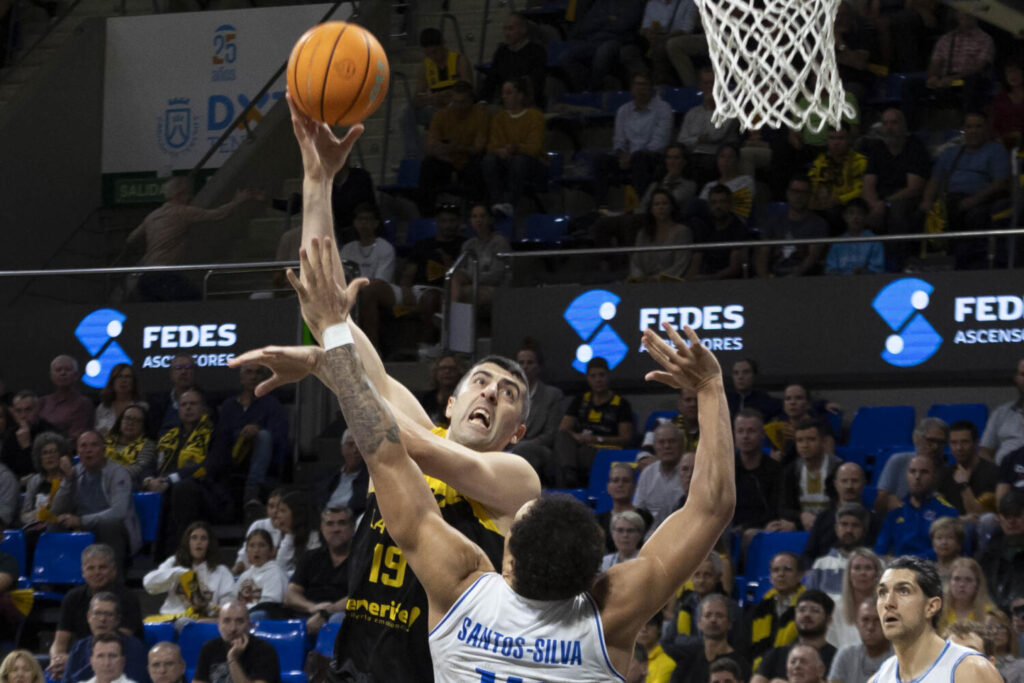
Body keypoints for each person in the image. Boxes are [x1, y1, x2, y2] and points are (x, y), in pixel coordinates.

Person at [278, 236, 734, 680]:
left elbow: (385, 452)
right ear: (595, 576)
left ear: (506, 562)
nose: (491, 392)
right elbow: (711, 508)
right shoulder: (606, 619)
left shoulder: (462, 591)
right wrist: (710, 387)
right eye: (482, 382)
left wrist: (330, 348)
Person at [237, 94, 542, 682]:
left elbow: (385, 427)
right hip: (356, 665)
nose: (489, 394)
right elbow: (327, 303)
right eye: (481, 381)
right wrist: (318, 182)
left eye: (507, 394)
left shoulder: (516, 480)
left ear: (517, 431)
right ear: (450, 400)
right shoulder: (416, 424)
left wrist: (326, 361)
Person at [126, 179, 263, 301]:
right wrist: (237, 201)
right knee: (194, 300)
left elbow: (131, 238)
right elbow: (217, 214)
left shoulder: (153, 215)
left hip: (146, 276)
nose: (189, 197)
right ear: (179, 194)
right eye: (187, 194)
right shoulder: (182, 212)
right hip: (165, 274)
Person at [872, 556, 1002, 683]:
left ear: (931, 607)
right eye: (882, 592)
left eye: (904, 591)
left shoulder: (971, 670)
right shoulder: (878, 679)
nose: (888, 603)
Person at [919, 111, 1010, 268]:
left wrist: (974, 200)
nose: (973, 131)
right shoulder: (950, 153)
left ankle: (968, 264)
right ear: (963, 129)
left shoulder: (996, 150)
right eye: (969, 127)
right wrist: (927, 201)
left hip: (982, 200)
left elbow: (999, 183)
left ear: (986, 129)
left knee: (975, 216)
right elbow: (934, 180)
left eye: (978, 126)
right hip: (951, 199)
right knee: (922, 215)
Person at [147, 389, 230, 554]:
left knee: (183, 488)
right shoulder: (168, 437)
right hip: (169, 492)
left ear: (204, 409)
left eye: (193, 404)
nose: (188, 408)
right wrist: (149, 480)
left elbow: (211, 466)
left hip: (208, 495)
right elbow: (152, 464)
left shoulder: (217, 433)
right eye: (184, 404)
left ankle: (182, 552)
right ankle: (153, 553)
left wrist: (170, 480)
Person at [49, 545, 144, 680]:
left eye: (102, 567)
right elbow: (59, 642)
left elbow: (114, 643)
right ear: (83, 572)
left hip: (120, 660)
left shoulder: (128, 598)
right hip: (81, 657)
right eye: (91, 568)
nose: (97, 572)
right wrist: (57, 661)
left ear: (113, 571)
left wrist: (71, 661)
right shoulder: (72, 598)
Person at [50, 431, 141, 569]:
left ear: (103, 449)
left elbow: (119, 512)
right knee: (54, 524)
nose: (88, 450)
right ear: (78, 452)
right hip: (84, 528)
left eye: (94, 445)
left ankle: (114, 578)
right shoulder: (75, 472)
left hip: (113, 532)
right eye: (83, 446)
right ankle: (56, 575)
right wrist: (68, 480)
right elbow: (56, 509)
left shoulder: (118, 472)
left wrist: (81, 520)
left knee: (109, 525)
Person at [213, 363, 289, 511]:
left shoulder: (272, 405)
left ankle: (252, 491)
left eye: (258, 373)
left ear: (264, 378)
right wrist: (241, 434)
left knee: (264, 436)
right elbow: (221, 436)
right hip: (233, 455)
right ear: (241, 377)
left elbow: (280, 437)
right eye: (249, 372)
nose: (253, 377)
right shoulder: (229, 405)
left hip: (263, 459)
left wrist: (257, 431)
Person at [554, 356, 634, 488]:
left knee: (582, 452)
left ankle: (571, 482)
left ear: (608, 376)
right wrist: (577, 437)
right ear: (588, 378)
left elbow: (625, 438)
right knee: (562, 438)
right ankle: (569, 474)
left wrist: (596, 439)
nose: (598, 380)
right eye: (593, 376)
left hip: (603, 449)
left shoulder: (621, 404)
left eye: (601, 375)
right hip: (579, 446)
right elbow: (564, 428)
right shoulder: (580, 400)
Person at [417, 81, 490, 212]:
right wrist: (441, 149)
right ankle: (426, 213)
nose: (459, 107)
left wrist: (455, 147)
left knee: (478, 165)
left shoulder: (480, 114)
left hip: (469, 161)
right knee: (428, 165)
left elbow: (479, 147)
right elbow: (430, 146)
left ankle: (474, 210)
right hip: (448, 160)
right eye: (455, 102)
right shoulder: (441, 115)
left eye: (463, 102)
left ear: (471, 100)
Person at [403, 27, 474, 159]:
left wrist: (446, 96)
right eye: (428, 54)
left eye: (435, 52)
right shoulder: (426, 67)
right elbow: (417, 98)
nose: (433, 57)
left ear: (443, 45)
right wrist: (428, 99)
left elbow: (468, 90)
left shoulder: (459, 61)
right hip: (437, 111)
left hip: (458, 109)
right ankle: (414, 155)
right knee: (406, 112)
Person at [282, 506, 353, 636]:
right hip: (309, 613)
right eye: (330, 524)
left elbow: (360, 596)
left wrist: (327, 612)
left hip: (343, 616)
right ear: (322, 528)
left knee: (337, 620)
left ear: (352, 527)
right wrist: (311, 607)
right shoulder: (310, 557)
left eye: (342, 523)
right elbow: (290, 594)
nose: (336, 529)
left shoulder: (363, 559)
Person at [482, 78, 546, 218]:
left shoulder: (535, 116)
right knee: (488, 160)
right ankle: (497, 202)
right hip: (506, 160)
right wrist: (500, 151)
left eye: (509, 93)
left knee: (519, 161)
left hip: (532, 164)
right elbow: (492, 145)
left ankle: (510, 203)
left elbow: (534, 148)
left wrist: (515, 148)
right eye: (503, 93)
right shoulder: (499, 118)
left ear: (520, 95)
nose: (504, 96)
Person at [861, 108, 929, 238]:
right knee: (856, 210)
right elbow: (868, 184)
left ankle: (898, 250)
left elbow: (914, 188)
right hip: (880, 199)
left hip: (904, 198)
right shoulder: (878, 148)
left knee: (897, 210)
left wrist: (885, 203)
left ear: (904, 126)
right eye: (885, 123)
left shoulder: (915, 148)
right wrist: (874, 204)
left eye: (894, 123)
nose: (889, 128)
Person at [143, 522, 234, 619]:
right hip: (171, 619)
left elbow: (229, 606)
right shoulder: (174, 562)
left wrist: (207, 607)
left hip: (205, 620)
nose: (198, 542)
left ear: (209, 543)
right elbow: (149, 583)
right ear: (187, 542)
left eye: (203, 538)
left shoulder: (221, 571)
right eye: (194, 538)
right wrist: (181, 573)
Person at [875, 455, 958, 559]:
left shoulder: (947, 511)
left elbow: (948, 550)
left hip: (931, 566)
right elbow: (880, 550)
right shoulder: (895, 512)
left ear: (934, 477)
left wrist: (913, 561)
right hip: (899, 567)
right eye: (912, 471)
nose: (917, 477)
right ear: (907, 475)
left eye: (924, 472)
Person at [751, 590, 837, 683]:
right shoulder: (776, 654)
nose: (806, 614)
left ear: (828, 619)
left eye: (815, 611)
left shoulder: (837, 657)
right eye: (802, 610)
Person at [558, 0, 645, 92]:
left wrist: (603, 22)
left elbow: (624, 25)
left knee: (604, 51)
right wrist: (609, 20)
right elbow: (587, 25)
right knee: (566, 57)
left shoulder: (634, 3)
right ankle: (583, 90)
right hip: (595, 40)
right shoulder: (601, 2)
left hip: (618, 40)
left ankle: (593, 89)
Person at [509, 343, 564, 487]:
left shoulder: (552, 395)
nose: (525, 367)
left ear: (538, 367)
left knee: (522, 449)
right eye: (521, 363)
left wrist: (522, 444)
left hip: (541, 450)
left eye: (530, 363)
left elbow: (551, 435)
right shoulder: (508, 395)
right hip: (511, 445)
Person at [611, 72, 675, 197]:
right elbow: (619, 139)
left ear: (651, 88)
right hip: (629, 155)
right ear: (632, 88)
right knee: (602, 161)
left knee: (640, 158)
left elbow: (660, 141)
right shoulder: (623, 111)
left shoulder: (663, 108)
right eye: (637, 85)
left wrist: (633, 156)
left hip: (653, 156)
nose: (640, 88)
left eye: (644, 85)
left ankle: (641, 202)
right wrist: (622, 154)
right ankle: (602, 204)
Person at [664, 593, 751, 683]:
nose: (713, 620)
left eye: (719, 615)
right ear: (699, 623)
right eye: (708, 615)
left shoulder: (741, 665)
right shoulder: (686, 664)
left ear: (729, 623)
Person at [61, 593, 148, 683]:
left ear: (117, 619)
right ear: (88, 617)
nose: (102, 619)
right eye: (97, 613)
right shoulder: (78, 648)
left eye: (109, 614)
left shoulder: (135, 648)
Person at [804, 463, 879, 565]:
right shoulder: (823, 518)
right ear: (836, 484)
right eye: (844, 481)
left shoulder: (874, 520)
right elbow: (808, 555)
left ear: (864, 483)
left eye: (855, 481)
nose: (849, 486)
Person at [756, 176, 830, 278]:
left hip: (805, 280)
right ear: (787, 193)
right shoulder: (773, 221)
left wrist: (793, 277)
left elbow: (813, 255)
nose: (799, 196)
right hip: (773, 277)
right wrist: (764, 279)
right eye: (795, 191)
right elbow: (762, 254)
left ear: (810, 195)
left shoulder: (818, 224)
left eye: (803, 193)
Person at [776, 419, 842, 532]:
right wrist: (801, 516)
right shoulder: (791, 470)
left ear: (823, 442)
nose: (805, 445)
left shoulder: (837, 468)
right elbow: (784, 508)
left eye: (811, 439)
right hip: (803, 525)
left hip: (832, 526)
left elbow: (843, 506)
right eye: (800, 441)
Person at [875, 417, 950, 515]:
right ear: (917, 439)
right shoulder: (899, 461)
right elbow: (879, 504)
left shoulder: (947, 471)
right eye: (930, 440)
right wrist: (887, 500)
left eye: (941, 443)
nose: (936, 447)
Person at [677, 68, 739, 185]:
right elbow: (681, 140)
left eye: (713, 83)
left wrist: (711, 108)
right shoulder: (692, 113)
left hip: (716, 157)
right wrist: (698, 139)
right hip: (693, 156)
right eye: (706, 83)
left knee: (701, 164)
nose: (710, 87)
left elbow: (715, 136)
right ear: (700, 86)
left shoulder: (728, 110)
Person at [193, 600, 280, 683]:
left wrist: (232, 659)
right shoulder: (209, 648)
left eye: (239, 621)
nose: (233, 628)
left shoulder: (264, 651)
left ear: (249, 625)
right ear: (218, 625)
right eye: (227, 621)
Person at [925, 11, 995, 111]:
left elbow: (979, 67)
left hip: (966, 79)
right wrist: (933, 76)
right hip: (944, 79)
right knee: (911, 85)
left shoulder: (985, 39)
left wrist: (954, 78)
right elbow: (935, 62)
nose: (966, 14)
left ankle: (970, 116)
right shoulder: (946, 39)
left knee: (972, 82)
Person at [750, 552, 807, 670]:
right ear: (771, 577)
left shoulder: (807, 607)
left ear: (799, 576)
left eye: (787, 569)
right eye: (776, 570)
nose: (781, 574)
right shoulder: (760, 609)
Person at [733, 408, 784, 536]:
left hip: (765, 530)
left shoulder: (775, 470)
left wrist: (765, 528)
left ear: (762, 435)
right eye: (740, 431)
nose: (745, 436)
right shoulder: (726, 469)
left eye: (751, 431)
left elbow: (777, 508)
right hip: (730, 530)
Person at [807, 126, 867, 233]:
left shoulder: (859, 161)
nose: (836, 143)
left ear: (849, 140)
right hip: (820, 206)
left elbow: (861, 190)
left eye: (841, 138)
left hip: (845, 207)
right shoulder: (819, 161)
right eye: (832, 138)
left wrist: (839, 199)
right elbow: (812, 183)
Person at [451, 203, 511, 309]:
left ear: (490, 219)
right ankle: (454, 313)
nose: (478, 220)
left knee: (462, 293)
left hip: (496, 288)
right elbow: (462, 268)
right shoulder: (468, 244)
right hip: (473, 285)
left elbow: (496, 276)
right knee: (454, 280)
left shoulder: (500, 242)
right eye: (474, 216)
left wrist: (470, 277)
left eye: (482, 216)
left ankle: (452, 315)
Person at [478, 13, 547, 106]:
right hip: (505, 103)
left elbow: (536, 81)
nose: (506, 33)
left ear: (523, 30)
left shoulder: (537, 51)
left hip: (529, 103)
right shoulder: (501, 52)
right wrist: (483, 100)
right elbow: (491, 79)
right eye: (505, 29)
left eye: (510, 29)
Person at [804, 504, 871, 597]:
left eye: (855, 525)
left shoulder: (875, 564)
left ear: (864, 531)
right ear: (836, 529)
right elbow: (809, 599)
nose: (849, 530)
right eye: (844, 524)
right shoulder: (820, 564)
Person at [936, 421, 999, 519]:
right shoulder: (945, 475)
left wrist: (964, 485)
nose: (959, 448)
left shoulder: (993, 473)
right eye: (954, 443)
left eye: (964, 442)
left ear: (976, 443)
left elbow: (979, 517)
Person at [689, 185, 749, 281]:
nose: (718, 206)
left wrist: (710, 278)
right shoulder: (704, 225)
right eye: (714, 202)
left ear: (730, 204)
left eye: (722, 202)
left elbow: (735, 268)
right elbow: (697, 257)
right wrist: (690, 280)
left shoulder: (739, 228)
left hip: (730, 282)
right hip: (706, 277)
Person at [635, 424, 689, 530]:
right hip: (652, 534)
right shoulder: (647, 474)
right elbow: (639, 511)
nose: (667, 446)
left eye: (672, 441)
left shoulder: (692, 471)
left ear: (682, 444)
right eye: (661, 442)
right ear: (654, 446)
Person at [976, 490, 1024, 611]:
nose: (1011, 521)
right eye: (1006, 515)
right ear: (999, 518)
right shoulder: (988, 554)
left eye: (1017, 514)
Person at [828, 547, 884, 649]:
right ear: (849, 574)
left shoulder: (887, 606)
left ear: (877, 574)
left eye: (868, 568)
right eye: (857, 568)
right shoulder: (836, 608)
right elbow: (831, 646)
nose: (863, 573)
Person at [827, 597, 893, 683]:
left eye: (877, 620)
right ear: (857, 624)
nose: (870, 627)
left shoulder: (900, 658)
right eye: (865, 620)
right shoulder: (846, 655)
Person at [597, 464, 654, 552]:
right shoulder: (599, 521)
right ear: (608, 487)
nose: (620, 485)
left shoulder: (646, 518)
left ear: (634, 487)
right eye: (615, 480)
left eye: (626, 481)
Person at [144, 354, 202, 438]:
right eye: (178, 368)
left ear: (194, 372)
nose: (183, 372)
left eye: (188, 367)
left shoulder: (208, 401)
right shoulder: (158, 403)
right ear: (171, 374)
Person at [20, 432, 70, 529]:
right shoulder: (34, 481)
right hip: (39, 530)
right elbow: (24, 516)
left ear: (62, 455)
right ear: (39, 458)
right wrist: (39, 514)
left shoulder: (70, 478)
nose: (49, 456)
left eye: (53, 451)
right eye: (45, 453)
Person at [39, 355, 95, 442]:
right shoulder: (43, 401)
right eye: (58, 370)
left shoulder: (83, 403)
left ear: (76, 375)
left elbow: (76, 437)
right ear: (51, 376)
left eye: (67, 369)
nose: (63, 373)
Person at [824, 198, 885, 275]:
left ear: (866, 216)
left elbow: (877, 271)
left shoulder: (874, 241)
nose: (855, 217)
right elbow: (830, 269)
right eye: (851, 213)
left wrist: (863, 273)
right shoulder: (837, 242)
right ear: (844, 216)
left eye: (859, 213)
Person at [339, 203, 395, 285]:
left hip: (377, 290)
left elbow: (381, 282)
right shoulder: (347, 248)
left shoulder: (386, 248)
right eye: (360, 219)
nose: (363, 222)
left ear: (376, 223)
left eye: (368, 219)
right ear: (355, 223)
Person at [698, 143, 755, 222]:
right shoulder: (709, 185)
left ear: (737, 160)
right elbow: (701, 207)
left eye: (730, 157)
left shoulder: (746, 181)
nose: (726, 160)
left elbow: (740, 206)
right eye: (722, 156)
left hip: (734, 221)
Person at [981, 359, 1024, 466]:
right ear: (1016, 378)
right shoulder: (1000, 413)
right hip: (1003, 473)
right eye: (1023, 375)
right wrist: (996, 472)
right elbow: (984, 451)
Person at [7, 390, 59, 478]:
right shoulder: (10, 435)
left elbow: (47, 470)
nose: (23, 416)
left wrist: (26, 446)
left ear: (37, 409)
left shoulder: (50, 433)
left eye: (28, 410)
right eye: (18, 411)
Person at [103, 406, 156, 492]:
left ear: (143, 426)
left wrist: (111, 476)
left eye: (137, 421)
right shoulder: (105, 440)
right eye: (127, 418)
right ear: (120, 421)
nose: (131, 423)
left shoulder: (148, 445)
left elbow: (139, 469)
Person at [231, 489, 284, 575]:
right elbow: (244, 554)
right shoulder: (258, 525)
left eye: (278, 507)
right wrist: (234, 571)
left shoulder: (289, 529)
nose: (274, 511)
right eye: (271, 506)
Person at [233, 529, 287, 611]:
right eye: (252, 546)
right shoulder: (244, 575)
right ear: (246, 551)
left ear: (271, 550)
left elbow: (268, 606)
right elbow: (233, 601)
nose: (256, 550)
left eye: (262, 545)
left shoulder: (275, 573)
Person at [319, 432, 368, 516]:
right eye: (350, 444)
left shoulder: (370, 480)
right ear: (342, 448)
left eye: (359, 446)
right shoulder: (328, 477)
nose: (355, 450)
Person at [640, 388, 700, 456]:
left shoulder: (710, 429)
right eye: (688, 400)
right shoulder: (661, 424)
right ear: (679, 404)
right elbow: (644, 456)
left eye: (698, 400)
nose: (693, 404)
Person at [941, 558, 994, 630]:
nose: (962, 584)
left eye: (968, 580)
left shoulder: (988, 614)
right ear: (949, 582)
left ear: (977, 584)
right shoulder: (939, 611)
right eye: (957, 579)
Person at [95, 365, 147, 437]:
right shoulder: (102, 408)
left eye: (127, 377)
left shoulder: (142, 407)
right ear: (112, 381)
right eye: (119, 376)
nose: (123, 380)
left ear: (133, 382)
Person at [416, 354, 465, 429]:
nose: (447, 371)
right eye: (443, 368)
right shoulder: (424, 400)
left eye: (452, 368)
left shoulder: (464, 400)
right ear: (435, 372)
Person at [635, 614, 676, 682]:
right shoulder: (625, 657)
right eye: (639, 624)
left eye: (650, 624)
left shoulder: (667, 663)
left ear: (659, 628)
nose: (643, 629)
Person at [994, 63, 1024, 149]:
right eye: (1008, 72)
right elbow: (996, 125)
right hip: (1005, 143)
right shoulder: (1000, 99)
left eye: (1015, 71)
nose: (1012, 75)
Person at [930, 517, 965, 585]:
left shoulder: (966, 568)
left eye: (950, 537)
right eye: (939, 538)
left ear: (959, 543)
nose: (944, 542)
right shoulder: (928, 570)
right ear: (932, 542)